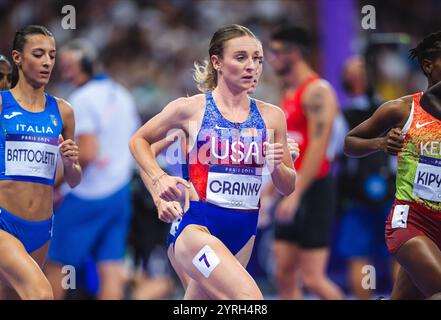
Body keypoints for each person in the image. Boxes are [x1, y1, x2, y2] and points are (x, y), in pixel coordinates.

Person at [130, 24, 296, 300]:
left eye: (258, 59)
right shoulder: (190, 110)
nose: (252, 66)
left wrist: (275, 164)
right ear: (217, 62)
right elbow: (139, 141)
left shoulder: (272, 116)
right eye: (241, 57)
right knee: (250, 301)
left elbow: (288, 186)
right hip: (196, 229)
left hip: (244, 234)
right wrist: (159, 184)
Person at [344, 30, 441, 300]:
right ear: (428, 65)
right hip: (412, 221)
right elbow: (350, 142)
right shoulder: (402, 109)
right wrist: (380, 143)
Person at [45, 39, 140, 300]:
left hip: (86, 194)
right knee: (110, 266)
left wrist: (55, 185)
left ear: (86, 65)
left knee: (57, 264)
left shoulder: (81, 99)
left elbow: (86, 153)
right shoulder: (122, 95)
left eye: (67, 67)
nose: (63, 73)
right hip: (119, 193)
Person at [0, 25, 81, 299]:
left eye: (52, 55)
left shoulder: (63, 111)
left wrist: (71, 164)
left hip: (41, 228)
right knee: (41, 293)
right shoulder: (2, 105)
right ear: (18, 58)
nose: (47, 62)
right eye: (38, 54)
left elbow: (74, 180)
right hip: (3, 223)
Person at [264, 24, 344, 300]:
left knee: (312, 279)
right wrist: (271, 191)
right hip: (291, 189)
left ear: (294, 53)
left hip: (314, 190)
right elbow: (285, 150)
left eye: (275, 52)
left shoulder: (317, 92)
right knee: (283, 274)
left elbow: (318, 149)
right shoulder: (286, 94)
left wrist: (295, 196)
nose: (270, 59)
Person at [336, 56, 397, 299]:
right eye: (354, 73)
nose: (358, 78)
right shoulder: (345, 116)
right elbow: (338, 153)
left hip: (386, 193)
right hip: (361, 196)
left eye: (361, 72)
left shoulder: (389, 109)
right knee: (366, 254)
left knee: (399, 252)